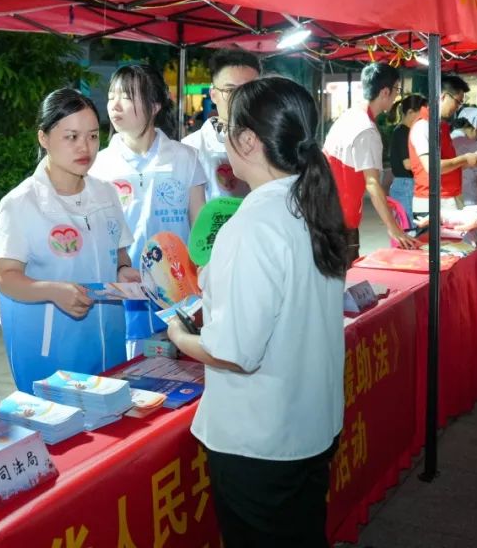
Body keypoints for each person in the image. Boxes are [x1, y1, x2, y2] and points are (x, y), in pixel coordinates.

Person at [166, 76, 347, 547]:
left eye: (224, 126)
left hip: (262, 442)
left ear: (247, 140)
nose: (222, 137)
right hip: (310, 425)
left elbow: (235, 352)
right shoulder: (310, 205)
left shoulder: (252, 225)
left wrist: (181, 338)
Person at [0, 88, 138, 392]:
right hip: (55, 348)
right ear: (44, 138)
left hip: (109, 341)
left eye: (93, 136)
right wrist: (53, 291)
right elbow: (6, 278)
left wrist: (124, 271)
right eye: (71, 137)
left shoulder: (106, 193)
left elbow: (119, 255)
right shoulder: (20, 203)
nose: (85, 147)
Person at [90, 64, 207, 355]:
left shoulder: (186, 158)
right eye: (111, 96)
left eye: (127, 97)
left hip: (179, 292)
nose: (114, 105)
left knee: (178, 367)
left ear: (155, 106)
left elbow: (200, 230)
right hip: (123, 293)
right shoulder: (99, 165)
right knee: (127, 368)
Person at [324, 63, 419, 264]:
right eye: (397, 89)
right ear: (385, 92)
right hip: (343, 220)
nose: (397, 96)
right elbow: (372, 183)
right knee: (344, 274)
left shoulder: (348, 116)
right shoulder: (366, 130)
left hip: (326, 211)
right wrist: (393, 227)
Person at [182, 49, 261, 201]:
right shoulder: (189, 149)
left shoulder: (273, 144)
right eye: (230, 90)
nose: (239, 98)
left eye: (248, 90)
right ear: (213, 95)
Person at [409, 75, 477, 222]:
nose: (458, 107)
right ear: (443, 96)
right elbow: (433, 167)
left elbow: (448, 164)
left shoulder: (440, 127)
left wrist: (471, 161)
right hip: (431, 201)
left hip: (448, 198)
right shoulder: (423, 126)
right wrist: (465, 158)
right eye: (457, 101)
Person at [388, 94, 428, 230]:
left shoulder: (405, 131)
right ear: (411, 112)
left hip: (405, 184)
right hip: (406, 184)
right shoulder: (403, 132)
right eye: (422, 113)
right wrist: (427, 163)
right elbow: (408, 164)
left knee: (409, 226)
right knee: (411, 228)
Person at [451, 107, 477, 207]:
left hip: (445, 203)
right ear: (476, 128)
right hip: (470, 205)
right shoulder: (476, 147)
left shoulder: (445, 141)